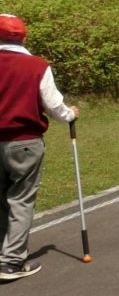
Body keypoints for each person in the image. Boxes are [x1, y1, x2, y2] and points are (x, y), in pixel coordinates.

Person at [0, 14, 79, 281]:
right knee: (20, 199)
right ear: (23, 37)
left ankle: (4, 253)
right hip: (24, 142)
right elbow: (53, 104)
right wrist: (70, 114)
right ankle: (11, 261)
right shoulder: (36, 66)